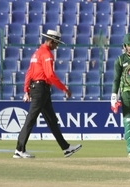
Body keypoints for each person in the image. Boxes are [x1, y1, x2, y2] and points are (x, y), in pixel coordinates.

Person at [14, 30, 82, 159]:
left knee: (51, 121)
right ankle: (19, 149)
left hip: (38, 88)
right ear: (51, 41)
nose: (57, 46)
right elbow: (50, 75)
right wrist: (64, 89)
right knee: (31, 119)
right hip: (41, 89)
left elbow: (29, 72)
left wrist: (26, 90)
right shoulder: (46, 54)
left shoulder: (37, 53)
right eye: (56, 43)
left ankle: (66, 148)